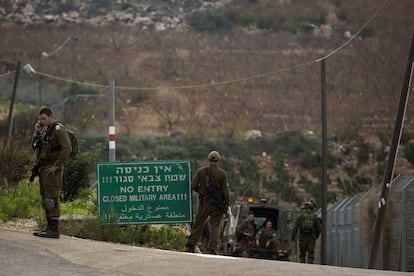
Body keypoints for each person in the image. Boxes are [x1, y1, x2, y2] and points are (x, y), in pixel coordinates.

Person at [31, 106, 72, 238]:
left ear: (51, 116)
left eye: (44, 118)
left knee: (51, 199)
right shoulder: (45, 131)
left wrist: (57, 165)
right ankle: (49, 227)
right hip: (44, 169)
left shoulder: (58, 129)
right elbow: (34, 147)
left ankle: (54, 229)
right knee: (45, 199)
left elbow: (67, 148)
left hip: (52, 169)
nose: (42, 121)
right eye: (40, 119)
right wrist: (36, 132)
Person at [185, 151, 230, 254]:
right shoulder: (222, 174)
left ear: (208, 159)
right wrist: (226, 204)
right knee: (215, 225)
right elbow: (225, 192)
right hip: (217, 205)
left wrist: (200, 191)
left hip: (204, 202)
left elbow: (192, 186)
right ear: (218, 161)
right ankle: (213, 248)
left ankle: (190, 245)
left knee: (198, 224)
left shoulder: (201, 172)